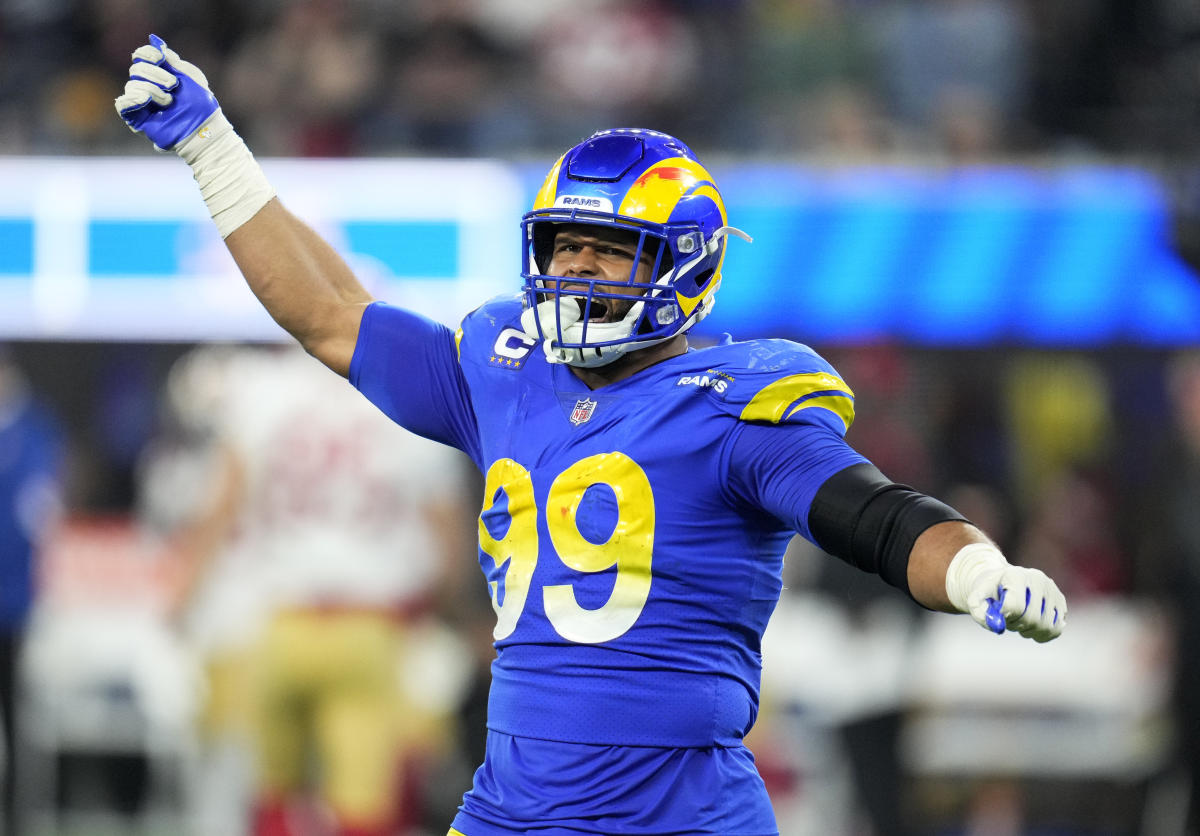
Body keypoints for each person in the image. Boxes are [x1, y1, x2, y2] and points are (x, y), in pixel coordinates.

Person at [114, 36, 1068, 836]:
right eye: (565, 243)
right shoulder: (505, 369)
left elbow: (880, 519)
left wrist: (980, 573)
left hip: (677, 811)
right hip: (512, 807)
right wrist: (210, 146)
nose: (578, 267)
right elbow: (330, 314)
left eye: (611, 248)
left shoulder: (731, 404)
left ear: (683, 266)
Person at [142, 343, 474, 836]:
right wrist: (449, 614)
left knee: (274, 797)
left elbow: (219, 513)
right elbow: (449, 538)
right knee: (366, 808)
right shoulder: (407, 401)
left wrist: (176, 612)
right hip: (372, 630)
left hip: (281, 626)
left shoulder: (264, 393)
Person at [0, 351, 64, 836]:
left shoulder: (32, 431)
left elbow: (38, 511)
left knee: (14, 714)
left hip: (12, 601)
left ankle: (19, 815)